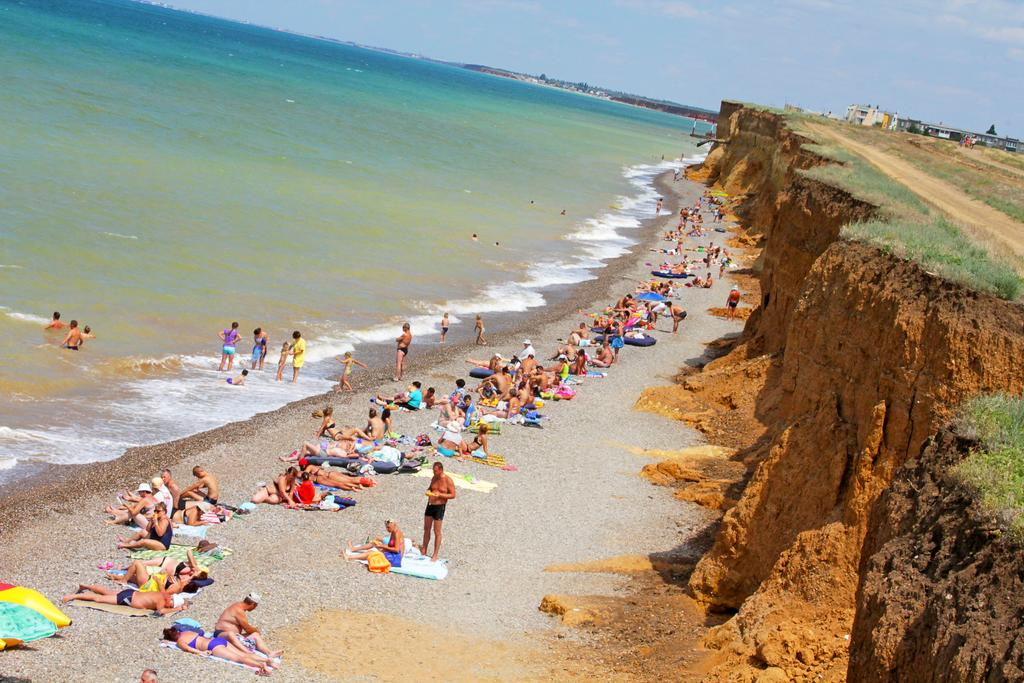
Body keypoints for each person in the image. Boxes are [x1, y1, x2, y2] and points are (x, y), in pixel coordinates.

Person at [161, 627, 273, 676]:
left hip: (213, 646)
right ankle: (268, 660)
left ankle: (261, 665)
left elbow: (189, 649)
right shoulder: (187, 632)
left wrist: (202, 653)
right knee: (244, 654)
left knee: (239, 659)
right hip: (217, 640)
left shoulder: (180, 641)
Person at [213, 594, 282, 664]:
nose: (254, 608)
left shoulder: (238, 605)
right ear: (253, 604)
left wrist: (255, 632)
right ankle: (247, 652)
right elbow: (247, 628)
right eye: (255, 606)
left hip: (235, 636)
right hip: (221, 634)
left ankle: (269, 653)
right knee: (231, 634)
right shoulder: (238, 610)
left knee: (255, 635)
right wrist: (256, 630)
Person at [62, 583, 186, 616]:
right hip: (128, 598)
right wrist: (179, 608)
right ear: (171, 600)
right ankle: (74, 596)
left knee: (107, 591)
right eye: (171, 605)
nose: (169, 606)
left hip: (131, 593)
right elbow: (161, 612)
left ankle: (86, 586)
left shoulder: (162, 595)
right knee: (99, 599)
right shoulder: (161, 601)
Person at [421, 461, 455, 562]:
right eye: (433, 471)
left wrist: (440, 495)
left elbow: (453, 495)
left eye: (435, 471)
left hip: (439, 506)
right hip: (430, 505)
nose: (434, 473)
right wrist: (428, 492)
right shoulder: (434, 478)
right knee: (426, 528)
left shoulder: (448, 480)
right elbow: (430, 488)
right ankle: (424, 549)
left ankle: (435, 554)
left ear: (441, 470)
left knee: (437, 531)